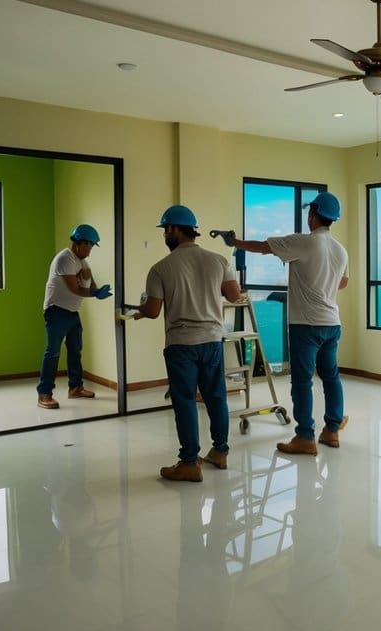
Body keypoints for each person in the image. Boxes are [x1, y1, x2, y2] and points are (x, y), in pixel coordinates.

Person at [227, 191, 348, 455]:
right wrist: (321, 284)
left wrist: (235, 241)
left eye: (309, 212)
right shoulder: (340, 250)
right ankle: (332, 430)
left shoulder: (303, 242)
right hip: (332, 322)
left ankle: (305, 437)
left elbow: (263, 247)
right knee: (331, 377)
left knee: (302, 381)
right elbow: (344, 282)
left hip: (306, 324)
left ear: (313, 214)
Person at [136, 205, 241, 482]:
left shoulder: (160, 268)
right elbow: (233, 295)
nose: (164, 236)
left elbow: (154, 311)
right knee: (216, 397)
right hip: (212, 340)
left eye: (165, 230)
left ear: (173, 229)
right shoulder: (219, 261)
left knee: (184, 401)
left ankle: (189, 462)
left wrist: (141, 305)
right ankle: (220, 451)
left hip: (181, 343)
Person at [38, 224, 112, 409]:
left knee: (75, 351)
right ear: (80, 243)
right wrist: (94, 293)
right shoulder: (65, 259)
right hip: (56, 311)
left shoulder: (82, 262)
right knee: (53, 353)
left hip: (72, 312)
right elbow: (76, 289)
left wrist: (97, 291)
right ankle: (44, 394)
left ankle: (75, 388)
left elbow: (91, 286)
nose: (90, 251)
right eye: (90, 246)